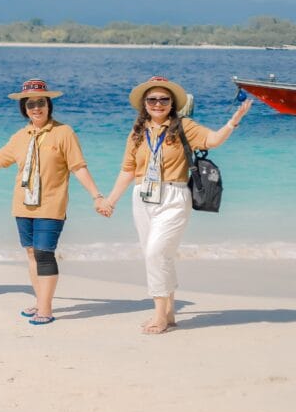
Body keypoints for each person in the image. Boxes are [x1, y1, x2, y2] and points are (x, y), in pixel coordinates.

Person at [98, 76, 252, 334]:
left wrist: (233, 121)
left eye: (163, 99)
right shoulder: (137, 132)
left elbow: (212, 140)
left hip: (174, 197)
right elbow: (127, 169)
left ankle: (158, 316)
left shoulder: (185, 127)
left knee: (155, 254)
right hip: (143, 198)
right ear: (144, 104)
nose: (158, 103)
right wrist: (110, 200)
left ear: (172, 103)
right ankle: (168, 313)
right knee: (161, 256)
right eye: (152, 99)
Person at [0, 79, 103, 325]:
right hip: (23, 205)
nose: (36, 108)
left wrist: (97, 196)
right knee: (32, 253)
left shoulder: (63, 133)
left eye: (41, 103)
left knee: (45, 254)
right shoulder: (20, 137)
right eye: (31, 104)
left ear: (49, 105)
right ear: (24, 108)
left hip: (51, 205)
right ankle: (39, 301)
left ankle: (45, 308)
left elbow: (78, 167)